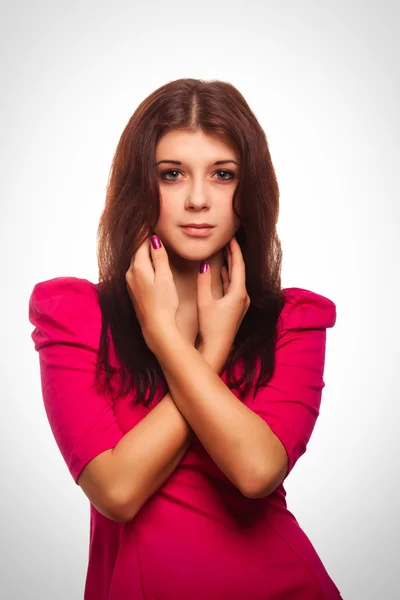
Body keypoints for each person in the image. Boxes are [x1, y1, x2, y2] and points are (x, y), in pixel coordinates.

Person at [28, 78, 343, 599]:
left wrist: (177, 347)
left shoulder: (293, 323)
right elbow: (117, 490)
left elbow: (256, 470)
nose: (198, 199)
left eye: (223, 175)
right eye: (172, 175)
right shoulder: (75, 315)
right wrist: (203, 350)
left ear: (250, 191)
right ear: (139, 185)